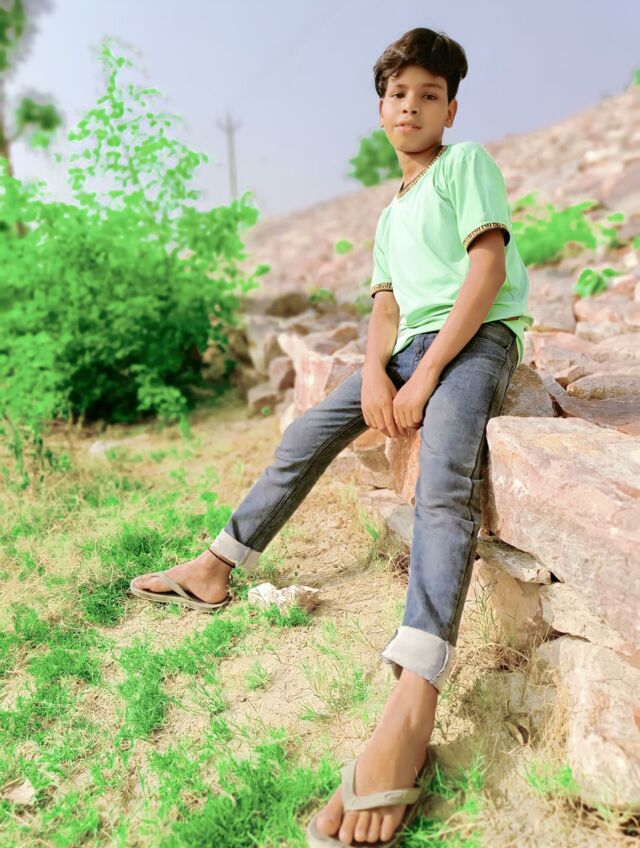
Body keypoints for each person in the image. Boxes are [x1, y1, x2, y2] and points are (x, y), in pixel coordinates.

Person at [131, 26, 533, 847]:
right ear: (381, 111)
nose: (412, 106)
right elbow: (385, 309)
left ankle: (412, 703)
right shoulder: (391, 214)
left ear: (451, 109)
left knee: (444, 484)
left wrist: (425, 377)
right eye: (398, 94)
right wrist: (378, 374)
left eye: (429, 95)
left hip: (476, 339)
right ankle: (217, 564)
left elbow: (487, 271)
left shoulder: (464, 166)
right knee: (306, 434)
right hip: (409, 349)